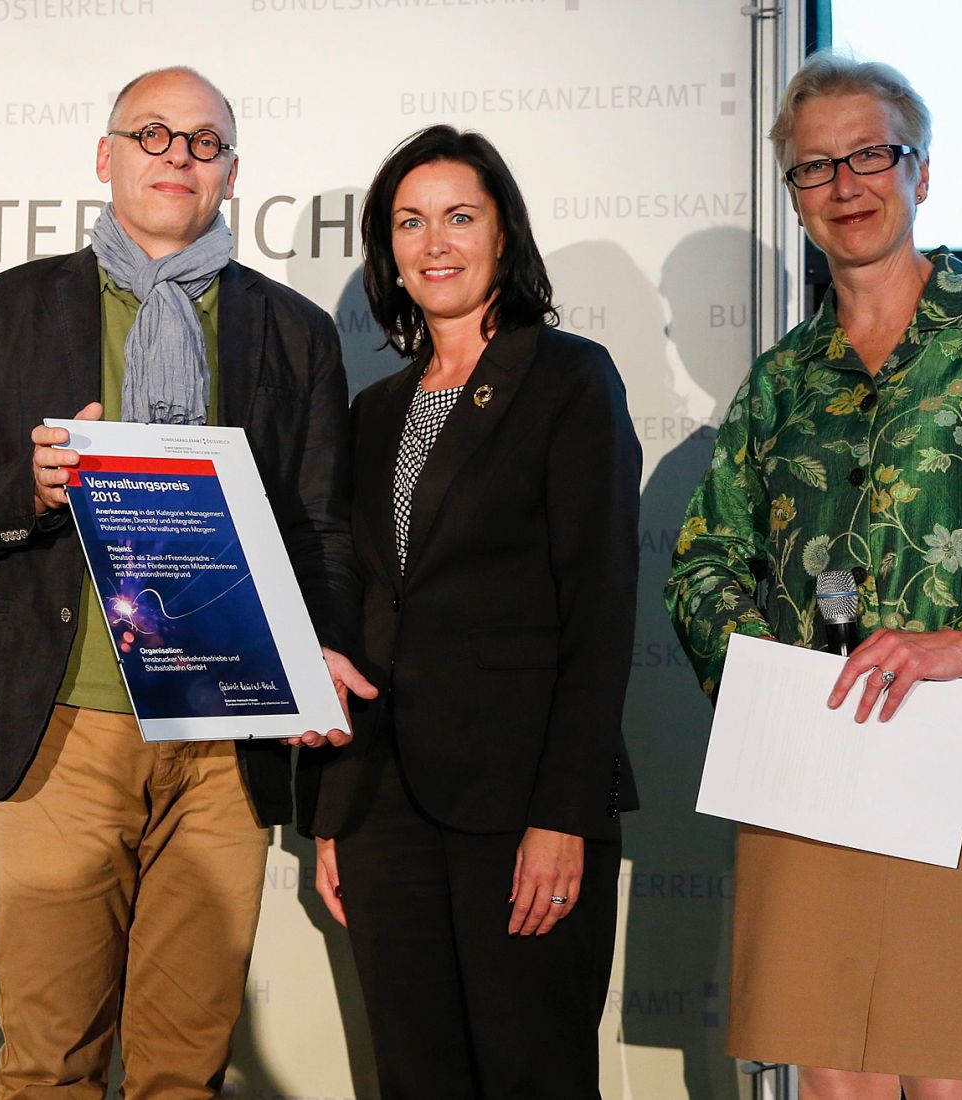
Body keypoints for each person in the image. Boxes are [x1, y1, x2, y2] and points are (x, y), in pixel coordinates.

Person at [666, 53, 962, 1099]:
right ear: (791, 195)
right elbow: (702, 558)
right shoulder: (780, 377)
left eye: (869, 155)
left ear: (917, 171)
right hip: (808, 751)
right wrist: (766, 679)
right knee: (834, 1076)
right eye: (814, 168)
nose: (845, 185)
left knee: (944, 1070)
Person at [0, 66, 365, 1098]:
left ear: (231, 174)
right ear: (104, 158)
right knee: (47, 1060)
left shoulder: (292, 332)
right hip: (66, 729)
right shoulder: (11, 310)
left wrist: (314, 649)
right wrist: (32, 485)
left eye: (203, 143)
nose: (176, 158)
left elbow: (322, 530)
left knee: (184, 1068)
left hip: (225, 745)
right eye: (152, 135)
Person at [305, 125, 642, 1100]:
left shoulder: (568, 378)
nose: (434, 241)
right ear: (387, 250)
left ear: (503, 236)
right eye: (409, 222)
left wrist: (562, 813)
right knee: (414, 1077)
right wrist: (335, 811)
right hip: (383, 811)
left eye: (459, 216)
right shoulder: (375, 408)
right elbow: (367, 607)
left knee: (529, 1072)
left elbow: (598, 608)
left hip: (521, 804)